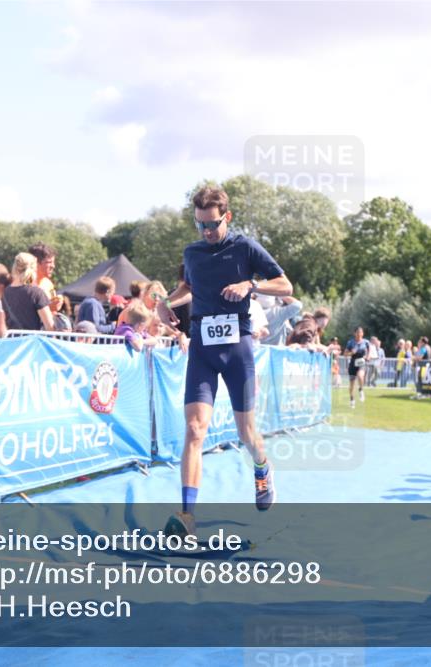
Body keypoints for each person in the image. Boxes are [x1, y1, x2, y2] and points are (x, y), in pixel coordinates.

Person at [162, 186, 293, 537]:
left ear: (227, 217)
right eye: (200, 224)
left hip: (237, 349)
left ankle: (263, 469)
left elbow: (285, 285)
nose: (206, 231)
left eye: (213, 224)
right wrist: (165, 302)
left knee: (246, 432)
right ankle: (187, 515)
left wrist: (250, 285)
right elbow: (188, 286)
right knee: (193, 430)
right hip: (203, 347)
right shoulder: (192, 252)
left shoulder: (245, 247)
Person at [0, 252, 56, 337]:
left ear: (15, 268)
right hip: (32, 344)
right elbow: (50, 326)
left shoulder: (5, 292)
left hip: (13, 342)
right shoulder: (36, 293)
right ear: (34, 269)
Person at [29, 242, 63, 312]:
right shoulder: (26, 284)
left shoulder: (49, 284)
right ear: (36, 263)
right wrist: (48, 308)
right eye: (49, 262)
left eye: (53, 262)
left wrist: (58, 303)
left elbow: (54, 308)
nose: (53, 266)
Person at [345, 327, 370, 408]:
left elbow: (369, 351)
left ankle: (361, 389)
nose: (359, 334)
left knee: (360, 376)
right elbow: (345, 354)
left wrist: (368, 356)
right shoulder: (350, 342)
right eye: (357, 332)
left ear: (363, 333)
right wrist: (351, 353)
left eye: (361, 332)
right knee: (352, 384)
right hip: (353, 363)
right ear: (354, 333)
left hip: (361, 362)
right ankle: (352, 400)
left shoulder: (366, 342)